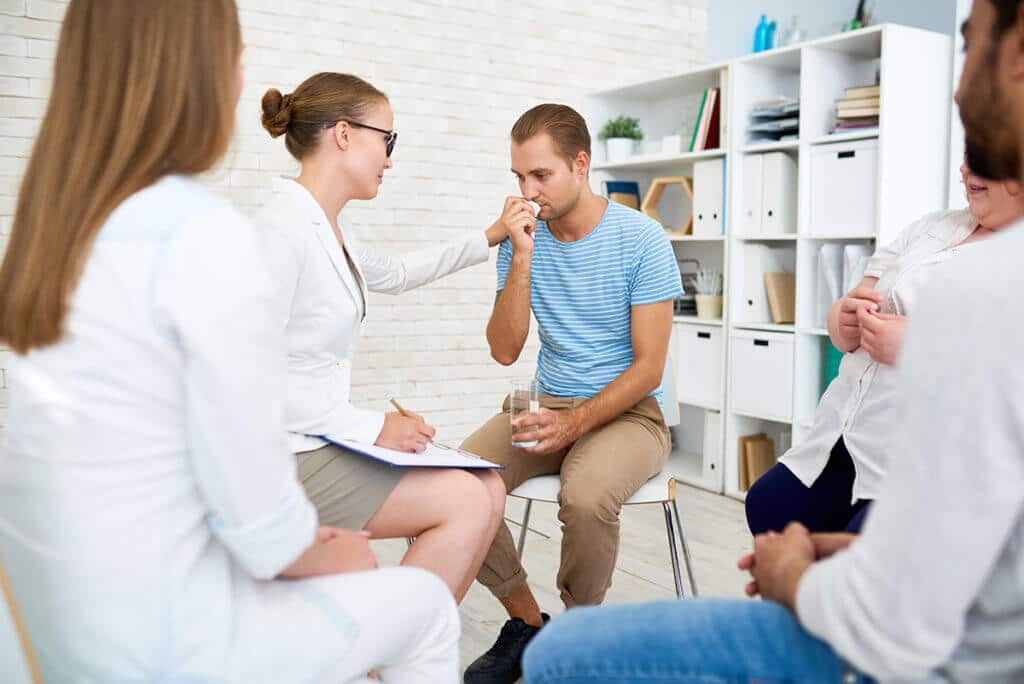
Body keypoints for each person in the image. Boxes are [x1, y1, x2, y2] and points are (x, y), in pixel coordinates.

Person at [521, 1, 1024, 681]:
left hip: (902, 651)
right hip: (904, 568)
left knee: (560, 654)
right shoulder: (943, 240)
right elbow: (970, 545)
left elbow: (897, 617)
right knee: (776, 500)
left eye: (970, 43)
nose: (960, 84)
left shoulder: (988, 290)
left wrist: (796, 577)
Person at [0, 3, 458, 681]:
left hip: (37, 622)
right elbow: (258, 514)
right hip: (156, 643)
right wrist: (317, 550)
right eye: (236, 57)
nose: (244, 80)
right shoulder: (202, 233)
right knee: (423, 605)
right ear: (197, 73)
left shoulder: (47, 239)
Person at [256, 72, 509, 603]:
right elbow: (250, 382)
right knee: (465, 500)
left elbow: (393, 273)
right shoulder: (279, 232)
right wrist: (375, 428)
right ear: (343, 134)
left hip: (317, 436)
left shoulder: (329, 227)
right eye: (387, 140)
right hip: (279, 456)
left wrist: (490, 235)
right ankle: (383, 654)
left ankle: (400, 654)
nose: (390, 159)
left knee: (488, 488)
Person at [461, 104, 682, 684]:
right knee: (457, 481)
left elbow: (649, 367)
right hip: (550, 402)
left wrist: (574, 424)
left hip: (631, 412)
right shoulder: (522, 238)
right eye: (518, 178)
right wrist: (523, 257)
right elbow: (505, 350)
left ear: (580, 165)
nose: (527, 192)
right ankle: (530, 626)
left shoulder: (642, 239)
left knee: (584, 498)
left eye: (541, 176)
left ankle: (579, 641)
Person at [745, 160, 1024, 536]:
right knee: (770, 504)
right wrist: (842, 320)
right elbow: (856, 300)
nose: (964, 168)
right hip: (840, 438)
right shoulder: (933, 226)